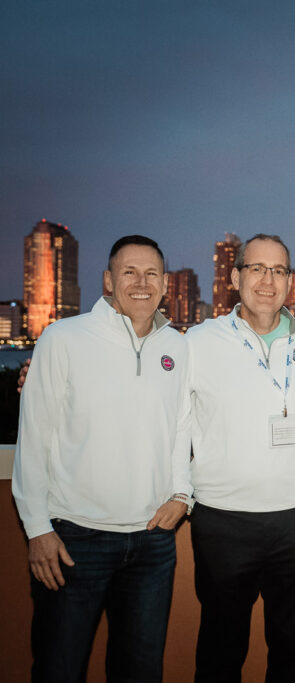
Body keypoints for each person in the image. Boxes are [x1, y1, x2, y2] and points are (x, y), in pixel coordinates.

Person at [13, 235, 191, 682]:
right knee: (59, 668)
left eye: (152, 273)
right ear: (108, 280)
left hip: (152, 542)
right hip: (75, 540)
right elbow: (34, 435)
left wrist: (182, 494)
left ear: (166, 283)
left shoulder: (176, 346)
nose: (141, 282)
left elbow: (181, 428)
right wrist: (37, 529)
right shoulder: (63, 338)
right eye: (129, 272)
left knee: (140, 672)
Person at [185, 233, 295, 682]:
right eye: (257, 268)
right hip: (223, 518)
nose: (267, 280)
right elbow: (173, 423)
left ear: (290, 282)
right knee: (220, 648)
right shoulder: (198, 341)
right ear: (235, 277)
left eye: (278, 270)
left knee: (293, 649)